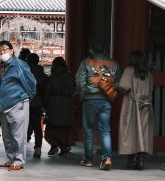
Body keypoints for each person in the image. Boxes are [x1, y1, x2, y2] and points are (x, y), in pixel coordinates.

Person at [75, 41, 120, 170]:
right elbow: (117, 83)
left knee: (88, 130)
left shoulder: (86, 63)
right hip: (106, 101)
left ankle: (88, 159)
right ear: (104, 50)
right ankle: (107, 158)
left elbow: (80, 81)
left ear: (91, 50)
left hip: (90, 100)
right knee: (105, 130)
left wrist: (82, 96)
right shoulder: (114, 64)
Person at [0, 41, 36, 171]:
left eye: (5, 49)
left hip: (18, 102)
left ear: (12, 51)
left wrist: (24, 97)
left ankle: (19, 161)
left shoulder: (19, 64)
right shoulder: (2, 66)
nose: (2, 52)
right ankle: (11, 159)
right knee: (7, 136)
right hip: (4, 105)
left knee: (19, 135)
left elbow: (31, 83)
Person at [117, 51, 153, 170]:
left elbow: (123, 87)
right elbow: (151, 89)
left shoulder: (129, 70)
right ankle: (141, 159)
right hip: (146, 105)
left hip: (132, 104)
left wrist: (115, 85)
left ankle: (131, 159)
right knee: (143, 131)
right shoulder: (149, 73)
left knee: (131, 131)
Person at [43, 57, 76, 157]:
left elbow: (46, 93)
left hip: (53, 105)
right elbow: (75, 90)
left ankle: (53, 145)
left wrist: (44, 105)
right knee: (65, 128)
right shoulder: (70, 77)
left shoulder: (52, 78)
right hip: (68, 104)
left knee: (52, 127)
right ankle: (64, 147)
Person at [26, 53, 47, 158]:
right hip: (37, 103)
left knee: (22, 125)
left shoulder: (24, 72)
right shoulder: (42, 75)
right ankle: (38, 147)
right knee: (37, 126)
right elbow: (45, 91)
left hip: (24, 102)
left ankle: (21, 146)